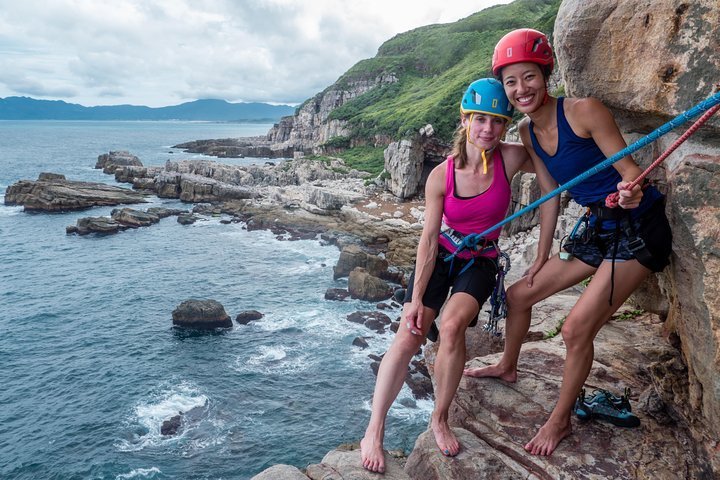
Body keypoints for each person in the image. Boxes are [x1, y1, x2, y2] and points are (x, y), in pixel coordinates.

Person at [463, 28, 673, 456]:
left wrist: (631, 190)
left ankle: (559, 422)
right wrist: (540, 256)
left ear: (546, 74)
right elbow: (550, 193)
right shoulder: (526, 133)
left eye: (529, 77)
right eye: (511, 81)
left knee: (576, 328)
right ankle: (507, 366)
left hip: (637, 229)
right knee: (519, 295)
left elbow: (630, 170)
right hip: (598, 227)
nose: (521, 89)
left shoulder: (584, 111)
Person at [360, 78, 534, 473]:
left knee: (453, 325)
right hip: (442, 254)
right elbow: (427, 239)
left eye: (496, 122)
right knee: (409, 333)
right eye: (480, 120)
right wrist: (417, 299)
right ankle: (374, 428)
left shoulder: (511, 158)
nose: (488, 129)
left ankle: (439, 417)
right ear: (465, 120)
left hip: (481, 259)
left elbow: (554, 150)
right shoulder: (442, 175)